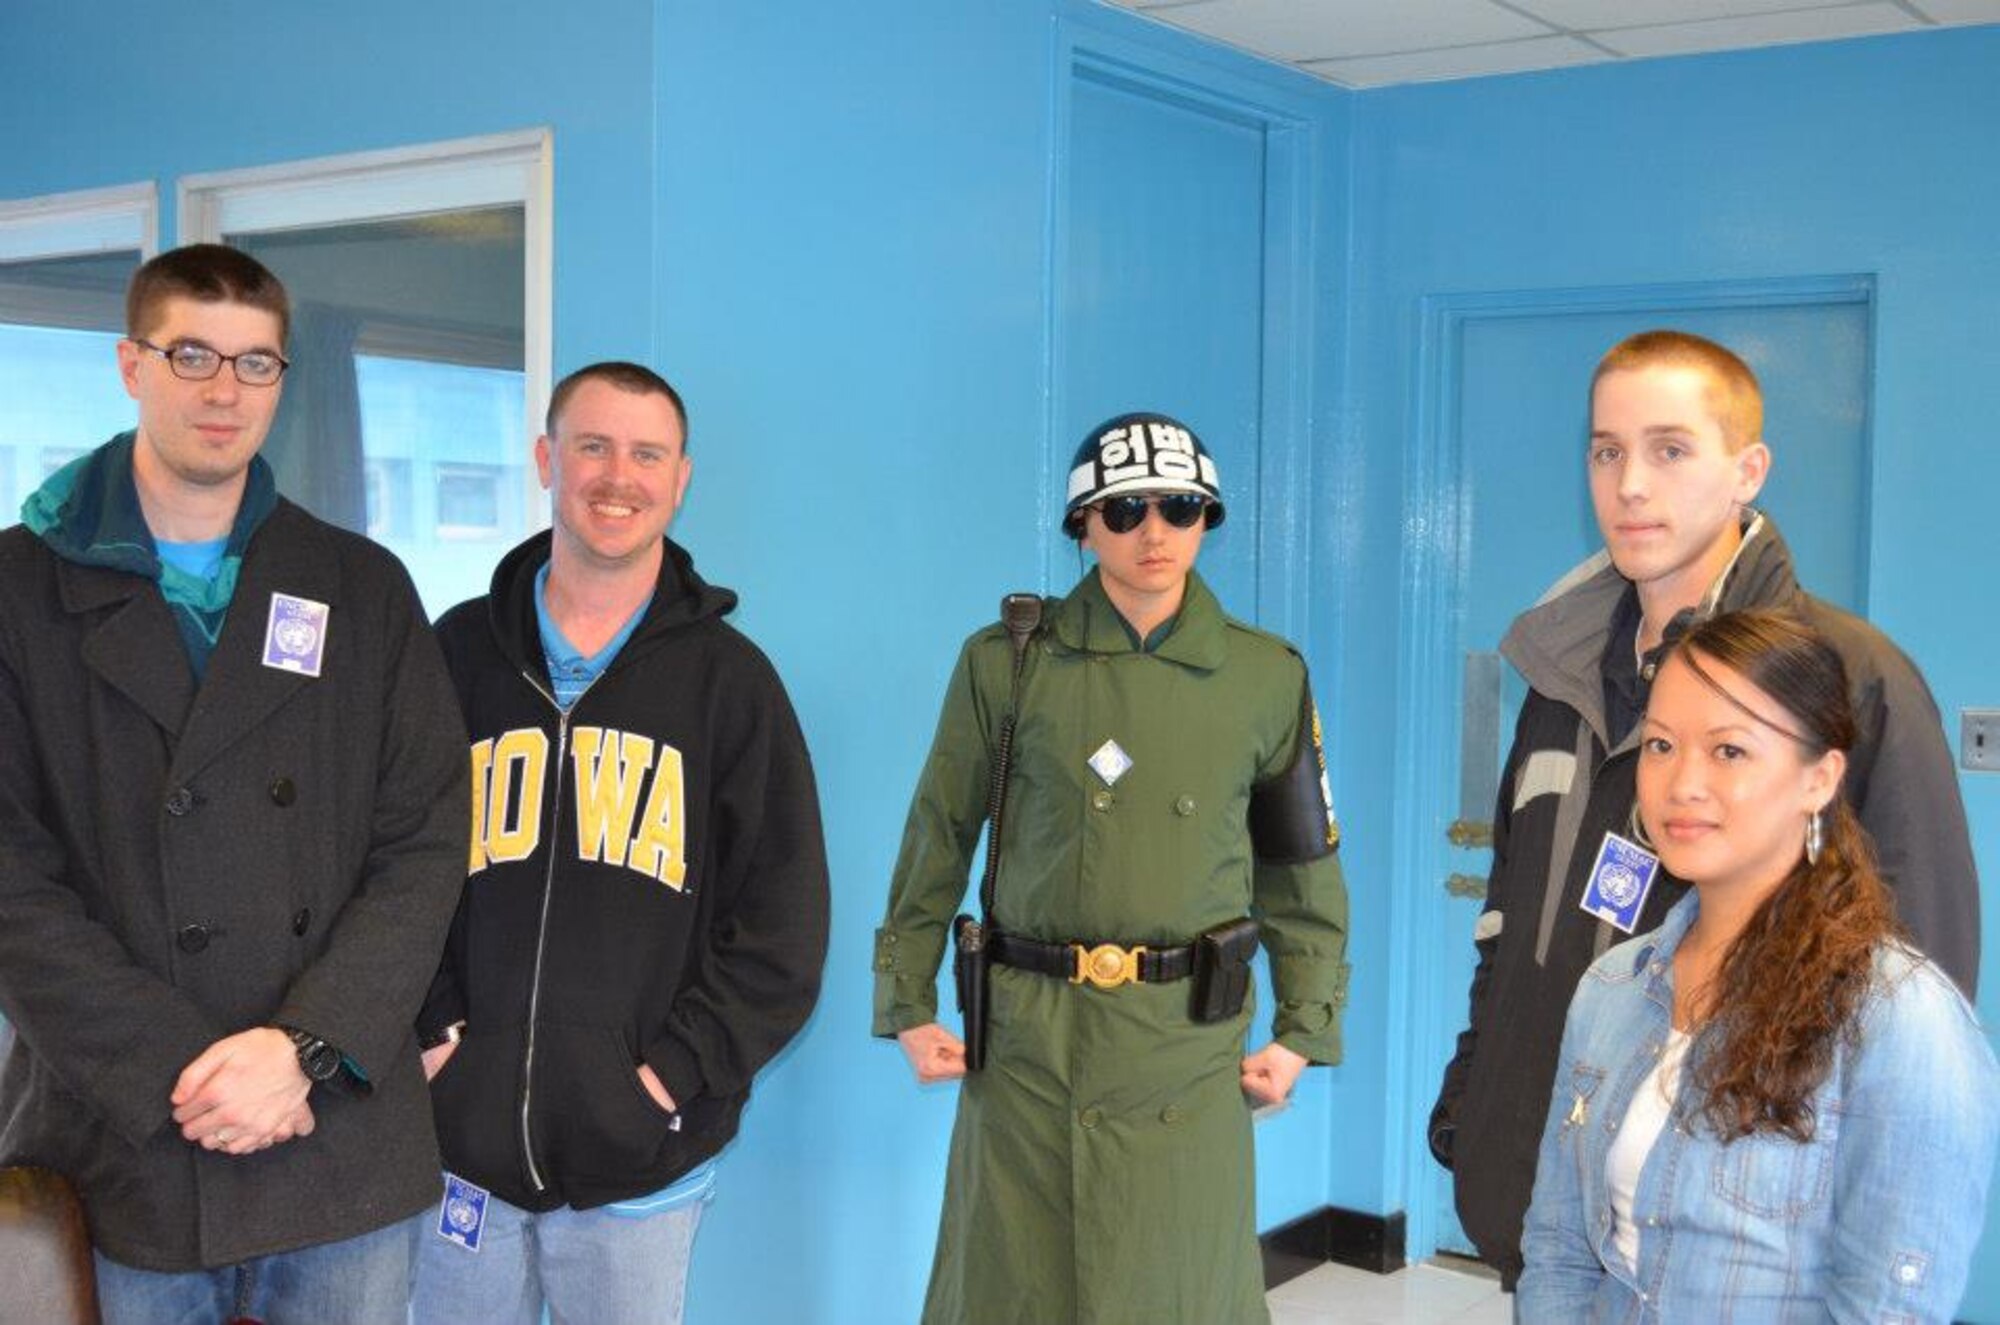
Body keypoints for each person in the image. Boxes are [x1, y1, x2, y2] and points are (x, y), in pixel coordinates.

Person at [1428, 330, 1979, 1288]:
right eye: (1607, 451)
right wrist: (1474, 1102)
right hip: (1549, 1211)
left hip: (1743, 1246)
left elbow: (1922, 982)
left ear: (1747, 470)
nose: (1631, 484)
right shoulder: (1559, 678)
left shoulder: (1849, 678)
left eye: (1670, 449)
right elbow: (1512, 920)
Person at [0, 244, 469, 1321]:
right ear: (131, 363)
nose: (225, 391)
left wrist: (299, 1051)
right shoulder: (17, 591)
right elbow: (10, 884)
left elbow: (427, 841)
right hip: (126, 1138)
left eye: (256, 364)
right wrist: (194, 1072)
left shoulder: (361, 585)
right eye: (194, 353)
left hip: (338, 1137)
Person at [874, 412, 1351, 1325]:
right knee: (1012, 1290)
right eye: (1124, 508)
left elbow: (1302, 869)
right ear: (1082, 526)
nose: (1154, 533)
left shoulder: (1265, 676)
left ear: (1207, 518)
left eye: (1180, 506)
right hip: (1025, 1043)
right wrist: (907, 1000)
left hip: (1185, 1045)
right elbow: (938, 830)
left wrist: (1303, 1028)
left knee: (1179, 1293)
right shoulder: (1006, 663)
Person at [411, 361, 830, 1325]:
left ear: (680, 478)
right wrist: (434, 1035)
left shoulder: (730, 683)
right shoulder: (458, 652)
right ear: (547, 459)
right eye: (593, 446)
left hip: (643, 1164)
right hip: (458, 1149)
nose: (618, 475)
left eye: (647, 453)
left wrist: (668, 1078)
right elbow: (391, 863)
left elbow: (783, 922)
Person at [1518, 608, 1999, 1320]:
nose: (1681, 782)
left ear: (1820, 777)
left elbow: (1886, 1306)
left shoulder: (1900, 1019)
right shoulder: (1611, 988)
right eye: (1660, 744)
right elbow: (1557, 1248)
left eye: (1729, 750)